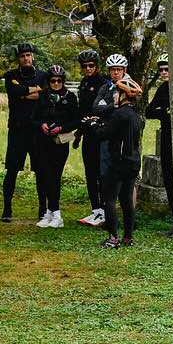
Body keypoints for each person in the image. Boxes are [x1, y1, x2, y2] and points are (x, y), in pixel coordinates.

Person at [93, 53, 144, 248]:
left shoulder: (119, 114)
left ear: (123, 94)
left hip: (118, 162)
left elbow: (103, 134)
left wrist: (93, 125)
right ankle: (128, 237)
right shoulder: (135, 116)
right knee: (126, 200)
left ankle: (113, 238)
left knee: (109, 199)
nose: (115, 95)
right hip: (133, 161)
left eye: (118, 93)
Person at [0, 41, 46, 223]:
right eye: (22, 56)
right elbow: (15, 91)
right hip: (17, 129)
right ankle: (7, 209)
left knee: (40, 170)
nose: (26, 58)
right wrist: (30, 92)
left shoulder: (43, 75)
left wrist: (23, 94)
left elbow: (43, 95)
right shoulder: (11, 75)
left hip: (37, 130)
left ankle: (43, 209)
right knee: (12, 170)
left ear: (32, 56)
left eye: (28, 55)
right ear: (18, 59)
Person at [32, 64, 79, 228]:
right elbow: (34, 118)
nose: (56, 84)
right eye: (53, 81)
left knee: (54, 177)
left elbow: (75, 120)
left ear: (63, 81)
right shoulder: (42, 96)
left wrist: (61, 128)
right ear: (49, 81)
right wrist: (42, 124)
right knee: (45, 176)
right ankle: (49, 213)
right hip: (42, 141)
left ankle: (57, 214)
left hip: (60, 143)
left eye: (59, 81)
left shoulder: (70, 97)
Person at [74, 49, 113, 227]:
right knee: (89, 172)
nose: (88, 69)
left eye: (91, 65)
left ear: (97, 66)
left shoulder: (104, 83)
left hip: (100, 132)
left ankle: (104, 210)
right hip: (87, 133)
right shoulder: (84, 83)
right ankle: (95, 209)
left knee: (100, 172)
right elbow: (81, 110)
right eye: (84, 66)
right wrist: (78, 133)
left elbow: (106, 108)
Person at [143, 56, 173, 236]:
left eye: (166, 69)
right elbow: (149, 111)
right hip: (166, 136)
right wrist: (164, 112)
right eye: (161, 70)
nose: (163, 72)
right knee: (168, 179)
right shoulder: (162, 89)